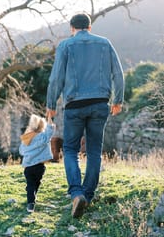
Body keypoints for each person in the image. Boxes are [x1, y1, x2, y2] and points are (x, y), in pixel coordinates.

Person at [46, 13, 124, 218]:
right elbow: (118, 73)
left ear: (72, 28)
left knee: (70, 149)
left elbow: (56, 79)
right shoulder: (105, 43)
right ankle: (87, 195)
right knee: (94, 150)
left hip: (74, 105)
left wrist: (51, 104)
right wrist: (118, 100)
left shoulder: (66, 45)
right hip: (100, 104)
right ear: (89, 27)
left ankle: (76, 192)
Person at [19, 114, 56, 213]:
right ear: (42, 126)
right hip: (39, 166)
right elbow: (50, 132)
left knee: (30, 184)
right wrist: (50, 120)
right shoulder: (43, 136)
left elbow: (21, 151)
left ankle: (30, 202)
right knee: (36, 183)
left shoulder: (26, 138)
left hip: (28, 167)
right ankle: (32, 198)